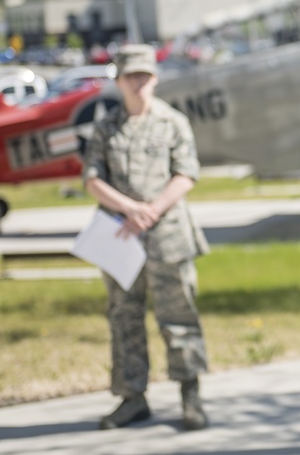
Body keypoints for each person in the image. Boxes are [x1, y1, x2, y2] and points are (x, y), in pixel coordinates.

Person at [83, 43, 211, 431]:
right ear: (119, 81)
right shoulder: (106, 128)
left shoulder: (172, 122)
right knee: (124, 316)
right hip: (121, 235)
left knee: (179, 316)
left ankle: (191, 396)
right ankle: (132, 397)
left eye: (145, 75)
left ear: (154, 79)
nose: (138, 83)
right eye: (130, 76)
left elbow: (186, 173)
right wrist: (128, 208)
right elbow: (91, 178)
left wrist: (151, 209)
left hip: (167, 235)